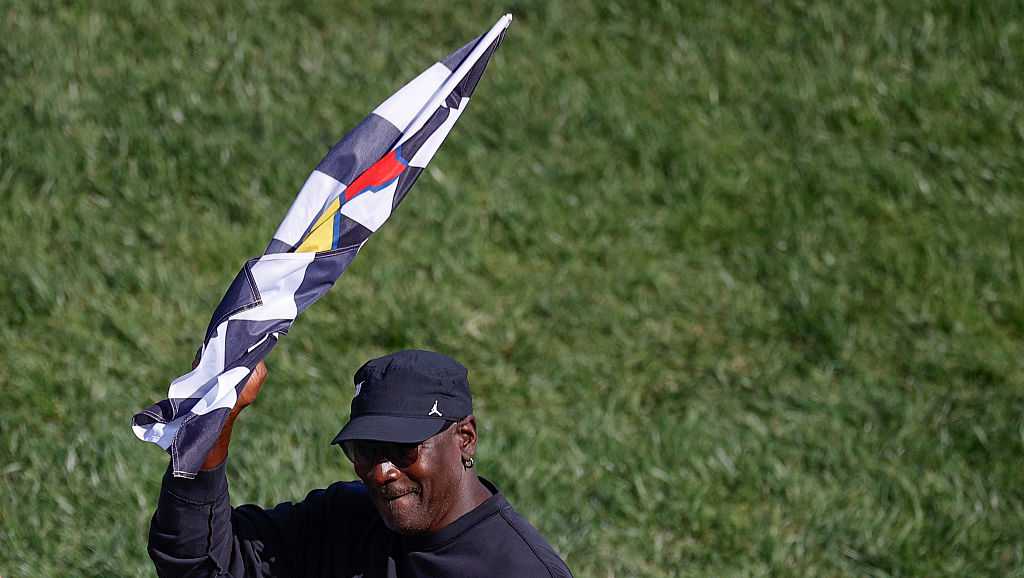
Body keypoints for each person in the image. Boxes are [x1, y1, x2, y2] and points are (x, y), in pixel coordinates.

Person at [148, 349, 573, 577]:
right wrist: (214, 427)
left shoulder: (522, 570)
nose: (382, 472)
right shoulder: (344, 523)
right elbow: (200, 564)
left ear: (465, 438)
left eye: (404, 450)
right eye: (365, 451)